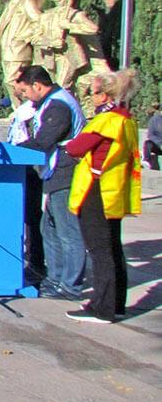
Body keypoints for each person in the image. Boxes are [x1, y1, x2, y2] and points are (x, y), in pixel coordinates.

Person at [63, 69, 142, 323]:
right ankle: (116, 304)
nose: (90, 97)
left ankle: (102, 307)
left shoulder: (107, 120)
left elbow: (76, 147)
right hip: (114, 189)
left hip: (97, 189)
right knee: (113, 247)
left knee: (99, 250)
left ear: (105, 95)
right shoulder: (127, 119)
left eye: (92, 92)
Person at [15, 65, 86, 300]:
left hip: (66, 172)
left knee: (67, 231)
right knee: (49, 228)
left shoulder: (58, 105)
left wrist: (11, 150)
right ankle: (54, 279)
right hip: (54, 173)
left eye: (25, 91)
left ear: (37, 85)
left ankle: (70, 286)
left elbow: (43, 141)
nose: (24, 96)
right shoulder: (49, 102)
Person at [144, 104, 162, 171]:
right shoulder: (154, 120)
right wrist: (159, 143)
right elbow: (150, 135)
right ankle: (146, 160)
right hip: (158, 146)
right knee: (148, 143)